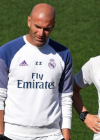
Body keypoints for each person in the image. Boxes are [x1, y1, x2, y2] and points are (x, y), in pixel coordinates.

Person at [0, 3, 73, 140]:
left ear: (53, 26)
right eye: (37, 27)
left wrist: (67, 137)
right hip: (13, 135)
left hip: (52, 135)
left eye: (46, 29)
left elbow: (65, 98)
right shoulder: (7, 52)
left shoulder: (63, 54)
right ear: (29, 21)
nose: (41, 33)